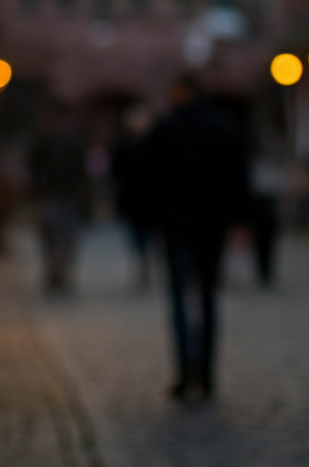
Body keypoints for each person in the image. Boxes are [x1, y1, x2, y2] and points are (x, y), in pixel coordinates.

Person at [144, 76, 249, 401]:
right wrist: (237, 219)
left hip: (176, 225)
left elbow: (150, 179)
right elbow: (238, 177)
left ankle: (184, 369)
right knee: (207, 298)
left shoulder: (164, 128)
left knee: (178, 297)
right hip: (212, 224)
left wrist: (156, 217)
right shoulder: (223, 127)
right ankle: (206, 373)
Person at [28, 102, 89, 293]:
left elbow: (81, 171)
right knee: (50, 236)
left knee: (66, 236)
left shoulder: (74, 143)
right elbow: (33, 165)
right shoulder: (43, 141)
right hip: (50, 195)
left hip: (67, 196)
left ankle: (61, 273)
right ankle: (53, 272)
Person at [111, 103, 155, 289]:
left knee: (146, 237)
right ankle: (140, 267)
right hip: (131, 200)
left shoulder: (152, 145)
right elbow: (116, 173)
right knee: (135, 237)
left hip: (149, 201)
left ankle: (145, 266)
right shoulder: (124, 146)